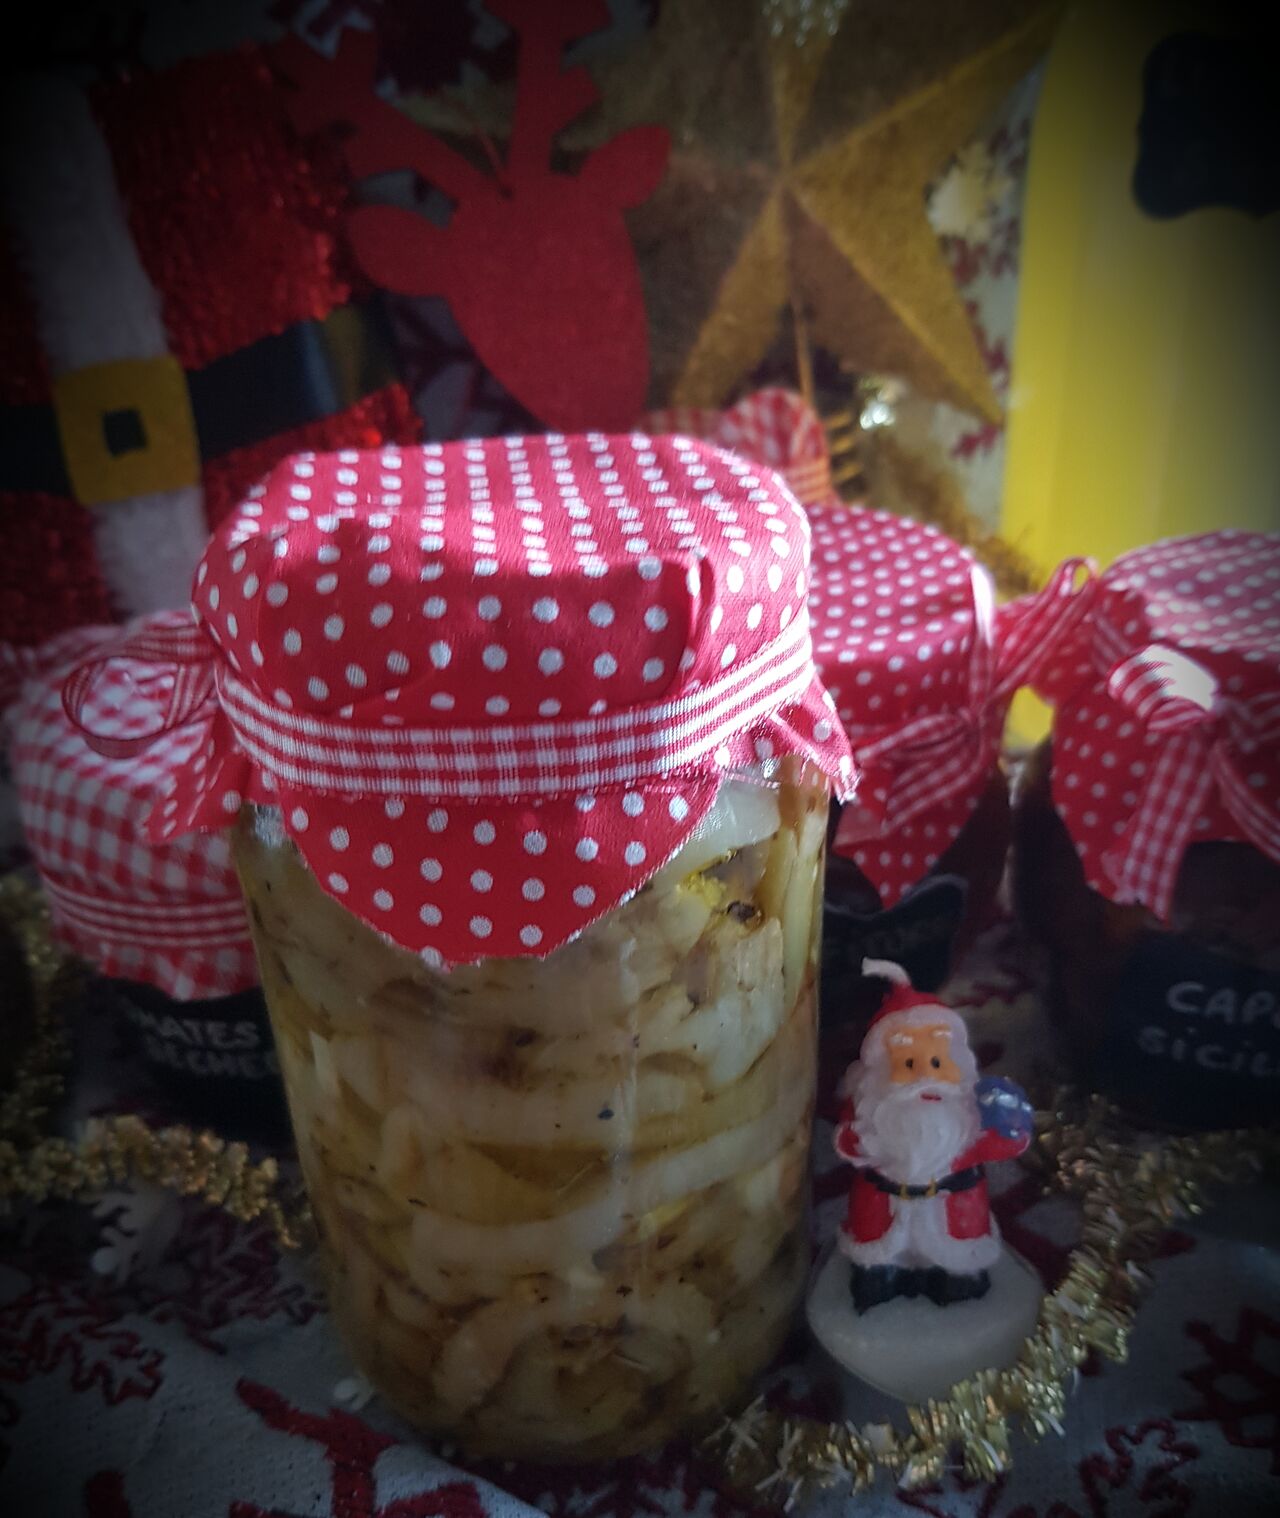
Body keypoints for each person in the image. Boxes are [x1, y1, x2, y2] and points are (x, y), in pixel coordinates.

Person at [834, 959, 1034, 1313]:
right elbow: (850, 1142)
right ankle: (881, 1280)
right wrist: (861, 1134)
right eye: (909, 1065)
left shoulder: (966, 1118)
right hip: (882, 1212)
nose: (926, 1077)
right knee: (875, 1273)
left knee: (960, 1281)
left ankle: (955, 1286)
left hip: (953, 1213)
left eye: (937, 1063)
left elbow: (1000, 1143)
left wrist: (1012, 1125)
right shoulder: (872, 1115)